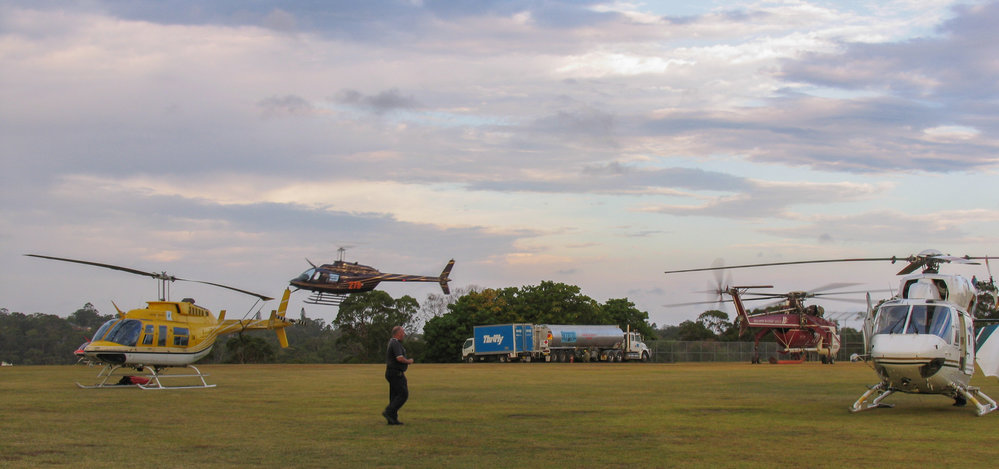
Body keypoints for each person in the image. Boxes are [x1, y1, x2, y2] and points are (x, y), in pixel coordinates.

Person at [383, 325, 414, 425]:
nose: (404, 334)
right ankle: (388, 411)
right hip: (395, 373)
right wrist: (408, 361)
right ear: (398, 333)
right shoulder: (395, 343)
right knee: (403, 394)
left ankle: (392, 419)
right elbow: (399, 358)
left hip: (392, 372)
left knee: (394, 396)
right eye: (403, 332)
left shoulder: (393, 342)